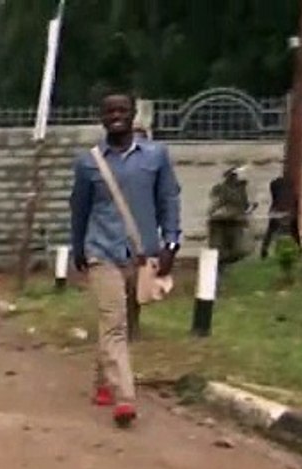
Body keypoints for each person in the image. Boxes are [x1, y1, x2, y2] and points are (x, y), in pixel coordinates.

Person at [69, 92, 181, 428]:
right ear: (101, 118)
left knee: (125, 323)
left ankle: (103, 381)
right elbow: (80, 208)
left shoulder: (156, 156)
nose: (116, 115)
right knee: (113, 320)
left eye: (122, 110)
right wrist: (78, 249)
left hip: (142, 253)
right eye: (109, 111)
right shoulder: (88, 162)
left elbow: (169, 199)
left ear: (133, 115)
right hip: (101, 251)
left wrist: (171, 244)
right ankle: (125, 398)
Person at [207, 167, 252, 265]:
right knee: (226, 248)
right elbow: (216, 202)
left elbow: (215, 203)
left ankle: (226, 261)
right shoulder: (228, 189)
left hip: (230, 220)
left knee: (231, 248)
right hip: (226, 220)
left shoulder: (236, 189)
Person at [261, 173, 300, 259]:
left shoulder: (275, 187)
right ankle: (297, 249)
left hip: (276, 211)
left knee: (270, 230)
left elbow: (274, 200)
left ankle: (264, 250)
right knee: (293, 230)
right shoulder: (293, 193)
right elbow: (295, 206)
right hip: (288, 212)